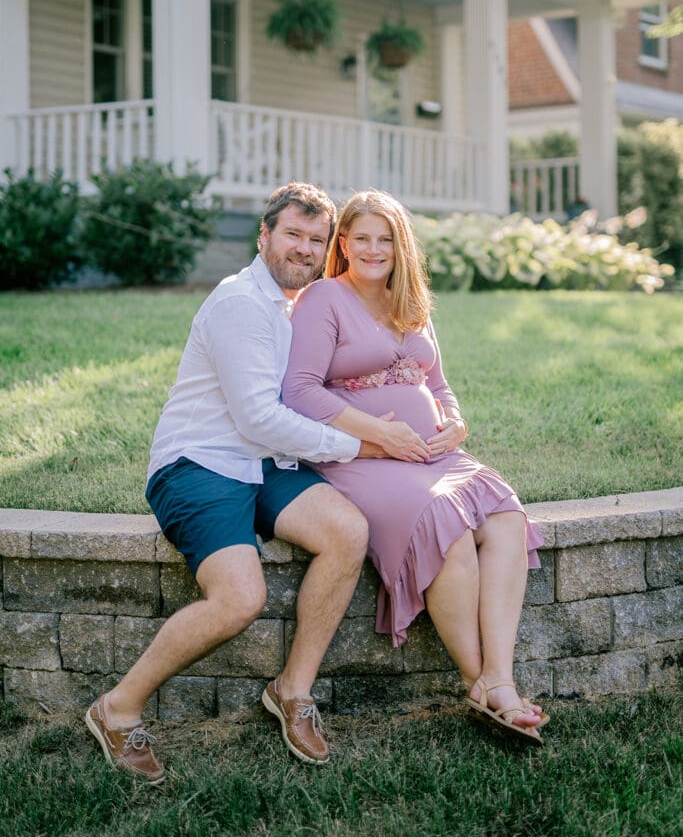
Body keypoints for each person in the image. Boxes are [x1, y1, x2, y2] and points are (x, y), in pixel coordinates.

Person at [85, 183, 431, 784]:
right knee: (240, 598)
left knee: (347, 530)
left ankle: (292, 692)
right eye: (293, 234)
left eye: (317, 240)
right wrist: (365, 443)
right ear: (264, 235)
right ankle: (117, 709)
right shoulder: (241, 304)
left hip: (267, 463)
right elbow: (258, 417)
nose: (304, 248)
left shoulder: (299, 304)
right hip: (201, 464)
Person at [282, 190, 549, 747]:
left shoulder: (413, 301)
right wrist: (380, 432)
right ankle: (483, 685)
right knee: (442, 527)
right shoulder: (325, 298)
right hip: (366, 459)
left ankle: (500, 675)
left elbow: (438, 384)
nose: (374, 249)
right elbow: (300, 391)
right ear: (344, 244)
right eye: (362, 238)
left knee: (503, 514)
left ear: (400, 246)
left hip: (434, 455)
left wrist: (454, 421)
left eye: (385, 239)